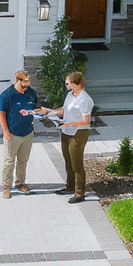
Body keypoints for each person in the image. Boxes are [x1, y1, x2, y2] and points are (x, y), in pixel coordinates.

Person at [36, 71, 93, 203]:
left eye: (67, 82)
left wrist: (70, 123)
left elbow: (86, 121)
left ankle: (80, 192)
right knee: (68, 160)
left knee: (76, 163)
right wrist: (48, 112)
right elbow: (64, 110)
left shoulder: (84, 99)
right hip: (66, 131)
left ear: (75, 84)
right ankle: (70, 186)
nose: (66, 84)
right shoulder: (70, 95)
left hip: (78, 134)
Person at [0, 71, 38, 199]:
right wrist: (6, 131)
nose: (26, 88)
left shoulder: (31, 93)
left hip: (27, 133)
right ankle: (7, 187)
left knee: (23, 160)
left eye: (28, 85)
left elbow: (35, 109)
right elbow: (1, 113)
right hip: (12, 134)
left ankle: (20, 183)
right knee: (9, 161)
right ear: (17, 80)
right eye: (24, 85)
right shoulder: (6, 95)